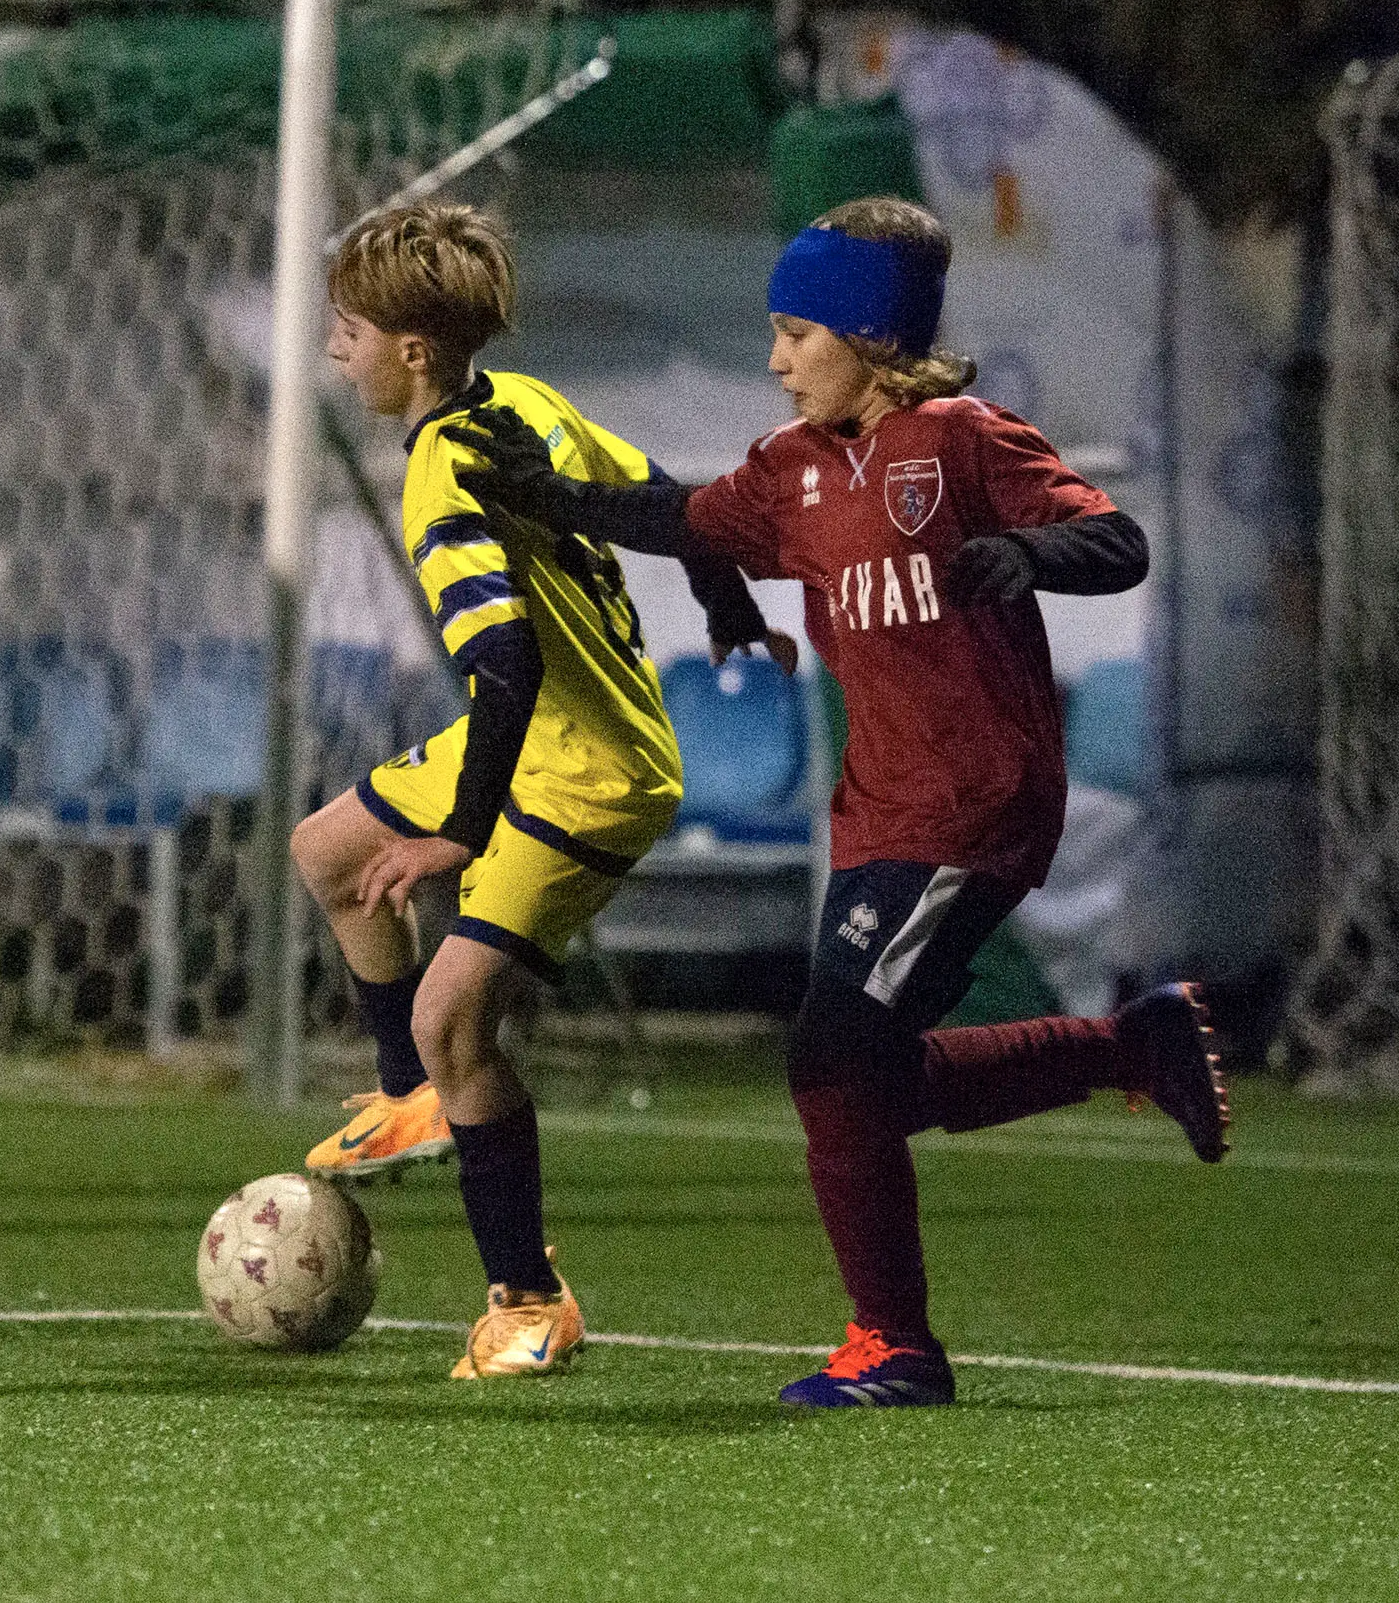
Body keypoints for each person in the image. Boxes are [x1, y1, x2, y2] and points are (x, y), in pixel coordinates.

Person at [448, 195, 1227, 1410]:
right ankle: (1127, 1048)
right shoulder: (791, 471)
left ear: (867, 336)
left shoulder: (962, 440)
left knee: (829, 1064)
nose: (774, 359)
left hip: (978, 801)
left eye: (793, 331)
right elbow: (681, 519)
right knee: (854, 1079)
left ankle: (896, 1347)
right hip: (879, 814)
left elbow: (1115, 542)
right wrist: (546, 493)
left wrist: (1030, 555)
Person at [295, 201, 779, 1379]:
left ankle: (526, 1300)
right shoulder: (528, 404)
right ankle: (411, 1101)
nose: (331, 349)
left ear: (411, 353)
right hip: (534, 732)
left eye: (346, 329)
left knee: (453, 1014)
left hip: (591, 770)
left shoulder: (440, 473)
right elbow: (679, 505)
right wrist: (725, 607)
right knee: (326, 851)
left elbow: (502, 662)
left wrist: (460, 836)